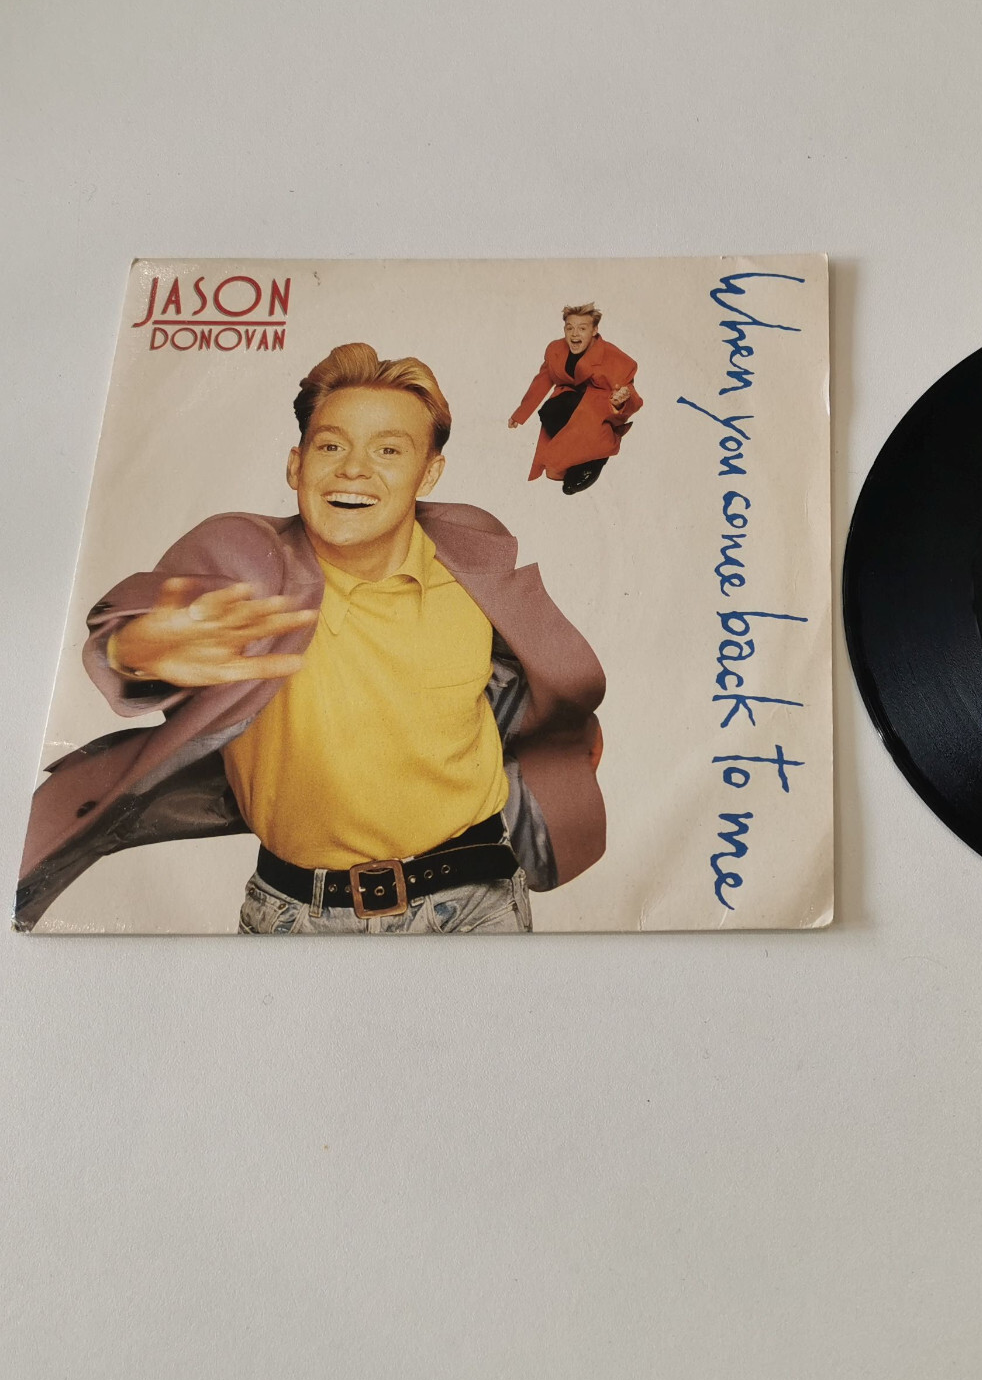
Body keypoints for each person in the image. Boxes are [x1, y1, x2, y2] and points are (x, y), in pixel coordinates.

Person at [15, 342, 605, 933]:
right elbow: (140, 622)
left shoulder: (471, 565)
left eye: (388, 450)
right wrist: (139, 650)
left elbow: (541, 700)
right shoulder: (243, 563)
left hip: (475, 902)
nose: (354, 469)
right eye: (331, 446)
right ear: (296, 466)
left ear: (428, 473)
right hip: (296, 915)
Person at [508, 303, 641, 494]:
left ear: (594, 330)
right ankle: (581, 457)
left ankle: (598, 457)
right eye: (569, 328)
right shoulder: (555, 349)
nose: (574, 334)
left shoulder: (616, 358)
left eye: (582, 328)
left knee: (576, 416)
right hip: (569, 400)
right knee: (550, 411)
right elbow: (543, 380)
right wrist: (520, 414)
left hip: (601, 406)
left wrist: (620, 401)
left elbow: (633, 396)